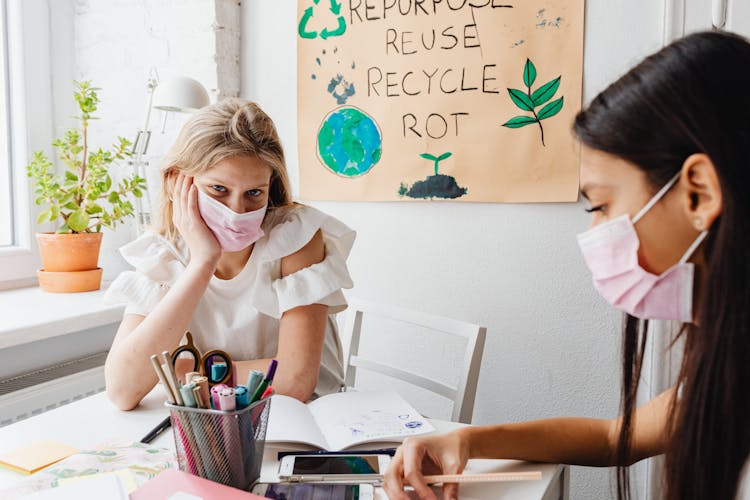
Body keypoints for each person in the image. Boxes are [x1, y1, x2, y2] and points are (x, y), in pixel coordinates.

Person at [383, 31, 750, 500]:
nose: (595, 231)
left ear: (699, 192)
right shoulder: (728, 353)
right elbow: (617, 437)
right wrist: (467, 440)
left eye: (598, 204)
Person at [104, 99, 355, 411]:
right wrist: (202, 262)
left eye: (253, 193)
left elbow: (293, 381)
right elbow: (121, 389)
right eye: (218, 190)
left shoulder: (297, 237)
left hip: (305, 421)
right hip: (217, 423)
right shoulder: (163, 252)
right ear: (176, 180)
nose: (237, 211)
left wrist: (186, 375)